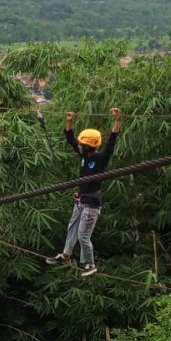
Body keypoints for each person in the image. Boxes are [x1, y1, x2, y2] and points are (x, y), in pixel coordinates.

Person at [45, 107, 123, 277]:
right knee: (72, 228)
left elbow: (110, 143)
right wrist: (70, 121)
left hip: (92, 205)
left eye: (81, 144)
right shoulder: (83, 156)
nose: (78, 145)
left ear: (88, 147)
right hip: (81, 201)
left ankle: (90, 263)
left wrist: (117, 121)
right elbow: (70, 138)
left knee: (83, 236)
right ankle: (65, 255)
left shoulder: (100, 160)